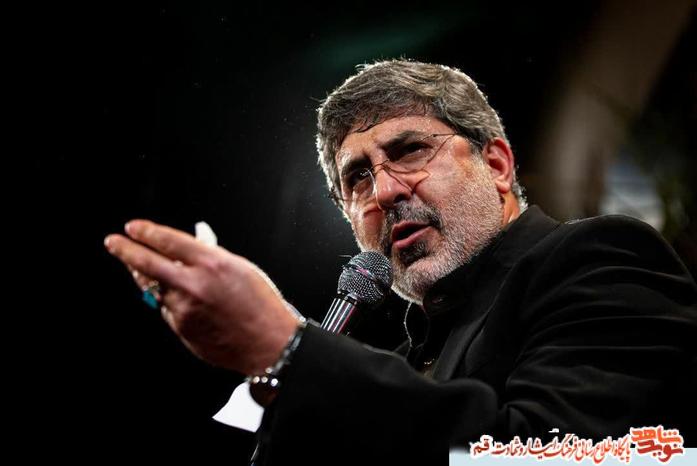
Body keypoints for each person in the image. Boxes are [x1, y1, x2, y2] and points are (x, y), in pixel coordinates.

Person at [104, 60, 697, 465]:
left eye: (410, 150)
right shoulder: (408, 360)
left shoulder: (601, 258)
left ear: (496, 165)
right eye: (357, 179)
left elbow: (558, 457)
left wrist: (290, 348)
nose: (384, 192)